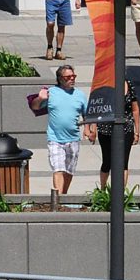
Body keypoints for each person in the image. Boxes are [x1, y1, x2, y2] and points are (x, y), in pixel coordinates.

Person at [33, 64, 87, 195]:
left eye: (73, 76)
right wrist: (40, 98)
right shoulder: (51, 93)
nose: (72, 79)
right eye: (68, 77)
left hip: (73, 139)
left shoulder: (80, 95)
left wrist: (89, 129)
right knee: (58, 169)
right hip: (55, 139)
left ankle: (63, 196)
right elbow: (35, 107)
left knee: (69, 171)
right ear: (60, 78)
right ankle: (57, 199)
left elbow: (87, 115)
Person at [85, 77, 140, 189]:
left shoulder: (129, 84)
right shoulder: (104, 83)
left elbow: (135, 109)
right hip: (106, 129)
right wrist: (93, 129)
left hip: (126, 128)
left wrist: (137, 131)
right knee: (107, 161)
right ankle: (103, 190)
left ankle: (120, 193)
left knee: (123, 163)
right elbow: (98, 108)